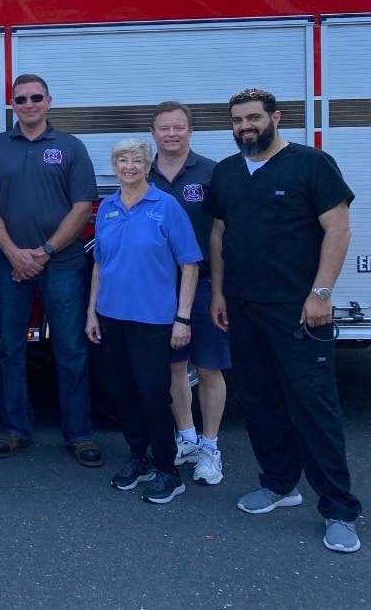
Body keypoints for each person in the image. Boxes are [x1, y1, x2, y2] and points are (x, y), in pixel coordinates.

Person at [206, 88, 363, 553]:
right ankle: (278, 484)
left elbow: (339, 228)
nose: (245, 126)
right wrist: (218, 291)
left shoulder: (311, 164)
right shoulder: (228, 172)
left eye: (253, 118)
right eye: (237, 120)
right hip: (244, 307)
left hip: (298, 310)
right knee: (259, 400)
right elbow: (219, 233)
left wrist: (321, 292)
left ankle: (339, 509)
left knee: (313, 406)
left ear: (276, 118)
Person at [0, 74, 102, 466]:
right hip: (8, 262)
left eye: (35, 98)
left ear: (49, 101)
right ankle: (15, 429)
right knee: (10, 347)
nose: (28, 104)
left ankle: (79, 434)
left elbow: (82, 206)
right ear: (12, 104)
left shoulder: (70, 147)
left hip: (62, 262)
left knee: (70, 347)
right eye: (20, 99)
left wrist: (43, 251)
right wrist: (14, 253)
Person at [86, 138, 201, 505]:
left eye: (137, 160)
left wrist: (182, 318)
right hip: (112, 315)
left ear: (148, 165)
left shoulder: (166, 207)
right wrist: (92, 311)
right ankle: (139, 459)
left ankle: (168, 471)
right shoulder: (107, 207)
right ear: (114, 166)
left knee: (153, 395)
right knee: (126, 393)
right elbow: (99, 263)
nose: (130, 166)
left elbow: (190, 265)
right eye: (122, 160)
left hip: (154, 319)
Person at [148, 101, 229, 485]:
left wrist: (221, 292)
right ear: (154, 134)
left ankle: (211, 448)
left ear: (190, 131)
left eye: (178, 127)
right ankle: (187, 439)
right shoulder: (141, 174)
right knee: (174, 367)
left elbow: (221, 234)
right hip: (160, 290)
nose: (171, 134)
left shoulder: (212, 173)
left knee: (209, 368)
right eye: (164, 128)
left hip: (205, 285)